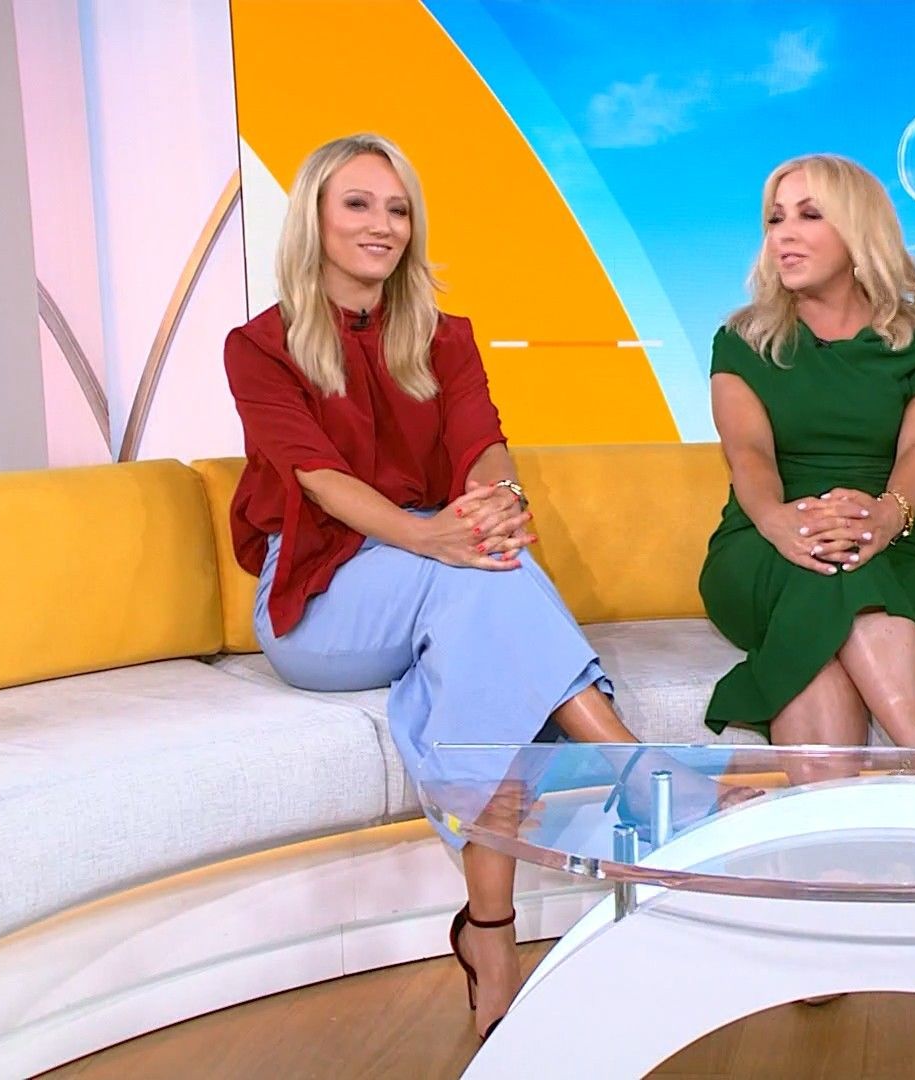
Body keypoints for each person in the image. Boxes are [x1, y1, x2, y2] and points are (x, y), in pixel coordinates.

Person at [223, 133, 646, 1041]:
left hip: (437, 582)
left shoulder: (445, 339)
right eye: (358, 204)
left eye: (398, 209)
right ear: (314, 219)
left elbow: (482, 442)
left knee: (481, 603)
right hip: (319, 599)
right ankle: (637, 771)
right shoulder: (259, 346)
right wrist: (431, 536)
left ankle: (489, 931)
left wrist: (498, 503)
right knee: (480, 578)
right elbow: (316, 478)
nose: (382, 224)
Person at [700, 153, 915, 769]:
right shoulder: (740, 342)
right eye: (775, 219)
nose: (783, 235)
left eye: (809, 216)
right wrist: (780, 522)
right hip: (763, 543)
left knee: (833, 602)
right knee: (828, 570)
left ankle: (829, 827)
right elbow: (749, 454)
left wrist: (884, 517)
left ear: (857, 229)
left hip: (894, 542)